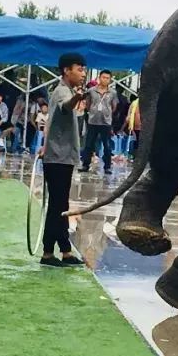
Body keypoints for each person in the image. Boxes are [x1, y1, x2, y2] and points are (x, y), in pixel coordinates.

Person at [39, 53, 88, 267]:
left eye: (84, 69)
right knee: (58, 207)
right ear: (67, 70)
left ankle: (64, 251)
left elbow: (52, 120)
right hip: (58, 158)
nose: (83, 73)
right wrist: (77, 98)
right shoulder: (62, 92)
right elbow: (65, 106)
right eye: (79, 69)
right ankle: (49, 253)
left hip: (62, 157)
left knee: (60, 205)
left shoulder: (66, 91)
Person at [80, 70, 119, 174]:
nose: (105, 79)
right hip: (93, 121)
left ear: (110, 80)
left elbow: (114, 106)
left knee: (107, 145)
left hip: (106, 122)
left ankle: (107, 166)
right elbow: (88, 104)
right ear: (99, 78)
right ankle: (85, 165)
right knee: (88, 144)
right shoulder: (91, 90)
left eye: (107, 78)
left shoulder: (113, 92)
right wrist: (92, 111)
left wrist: (107, 113)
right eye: (103, 77)